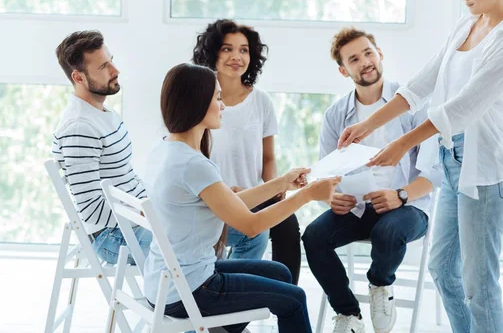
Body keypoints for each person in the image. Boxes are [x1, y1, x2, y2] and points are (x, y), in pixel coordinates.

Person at [338, 0, 503, 333]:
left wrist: (400, 145)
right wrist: (369, 124)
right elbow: (421, 85)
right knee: (444, 269)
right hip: (452, 161)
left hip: (485, 173)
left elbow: (461, 108)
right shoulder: (468, 24)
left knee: (479, 286)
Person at [143, 63, 340, 333]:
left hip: (166, 282)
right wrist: (307, 195)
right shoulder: (193, 164)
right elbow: (251, 225)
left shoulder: (165, 149)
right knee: (294, 299)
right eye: (217, 97)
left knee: (281, 273)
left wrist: (282, 183)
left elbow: (232, 205)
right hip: (189, 290)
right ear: (197, 102)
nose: (222, 105)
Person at [302, 28, 442, 333]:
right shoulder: (336, 115)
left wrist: (400, 195)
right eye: (354, 58)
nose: (365, 62)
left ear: (380, 53)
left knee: (388, 231)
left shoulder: (412, 104)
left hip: (408, 208)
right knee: (313, 236)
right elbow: (327, 173)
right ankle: (349, 314)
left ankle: (380, 284)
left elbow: (435, 173)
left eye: (368, 52)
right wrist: (330, 198)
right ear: (343, 70)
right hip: (358, 208)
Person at [192, 19, 302, 284]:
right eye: (227, 49)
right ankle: (229, 296)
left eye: (243, 50)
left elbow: (268, 157)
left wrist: (276, 188)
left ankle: (287, 295)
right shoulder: (197, 101)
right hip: (214, 197)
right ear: (212, 53)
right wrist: (224, 191)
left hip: (253, 195)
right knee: (253, 233)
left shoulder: (261, 100)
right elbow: (191, 157)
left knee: (288, 222)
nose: (236, 57)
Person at [52, 30, 151, 264]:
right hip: (113, 237)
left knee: (217, 227)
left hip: (135, 221)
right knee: (197, 238)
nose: (115, 71)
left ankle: (206, 292)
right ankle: (196, 297)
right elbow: (91, 209)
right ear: (79, 78)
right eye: (103, 66)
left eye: (111, 61)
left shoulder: (102, 112)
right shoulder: (79, 127)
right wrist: (146, 215)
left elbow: (124, 176)